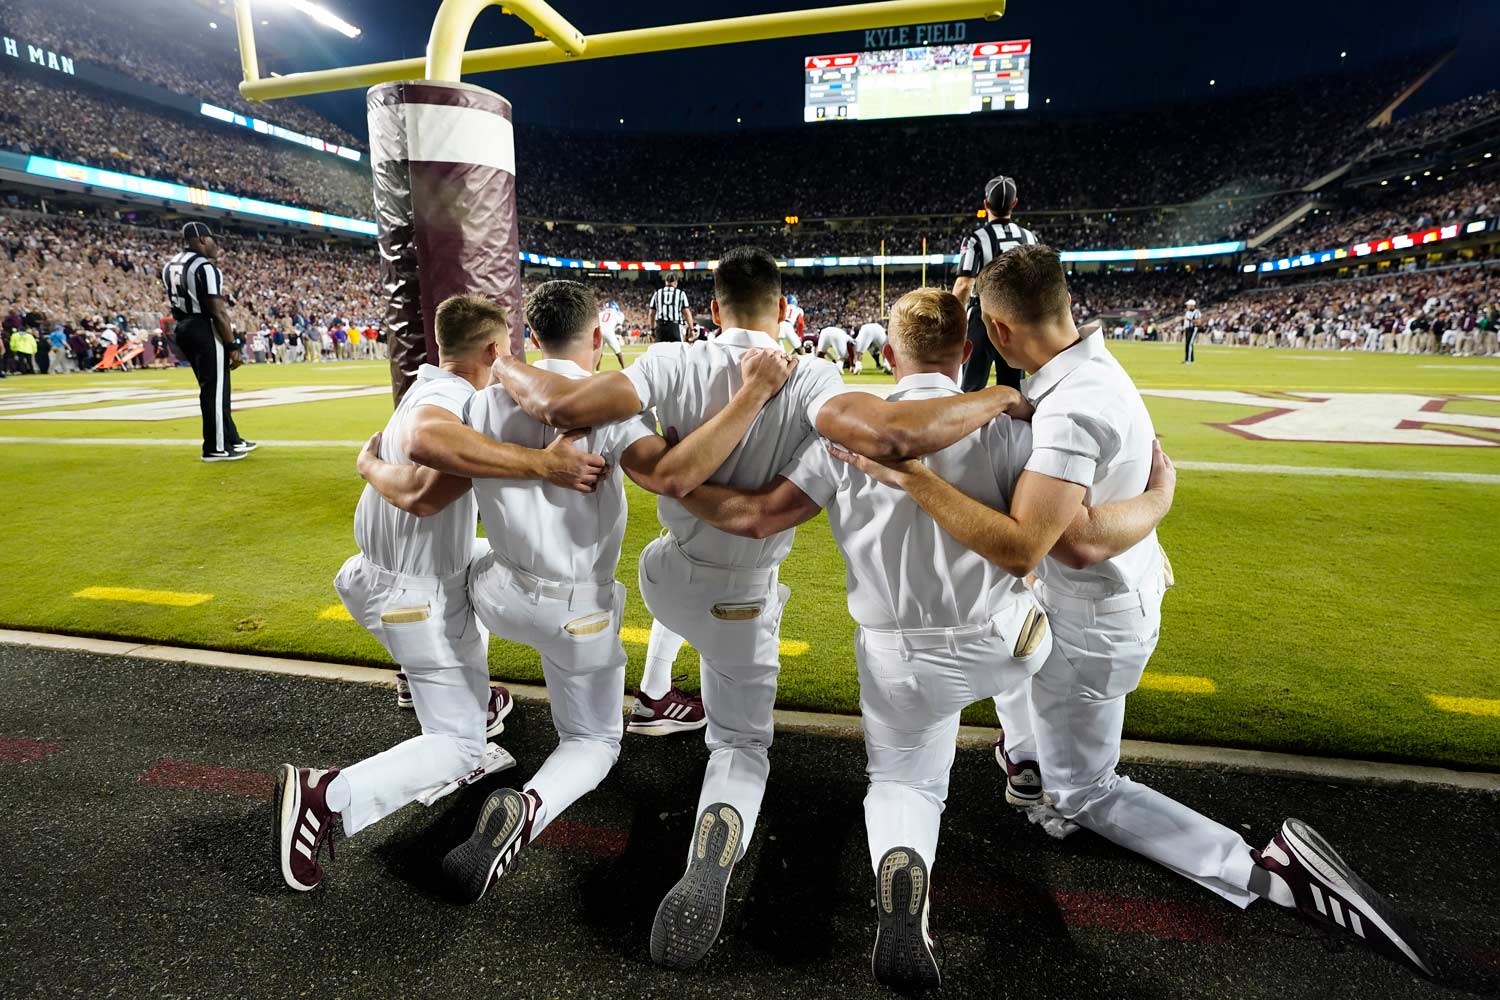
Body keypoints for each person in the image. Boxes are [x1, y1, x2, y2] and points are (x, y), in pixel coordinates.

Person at [835, 245, 1435, 978]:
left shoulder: (1068, 407)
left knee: (1084, 789)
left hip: (1092, 617)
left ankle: (1262, 869)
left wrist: (915, 478)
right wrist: (1154, 504)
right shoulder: (1091, 370)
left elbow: (1046, 545)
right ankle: (1027, 759)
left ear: (996, 329)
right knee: (1008, 638)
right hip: (1106, 600)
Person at [492, 245, 1035, 971]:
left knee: (668, 587)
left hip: (671, 578)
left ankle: (655, 694)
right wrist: (1001, 397)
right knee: (742, 743)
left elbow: (561, 403)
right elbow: (832, 468)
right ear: (784, 311)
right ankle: (1027, 759)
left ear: (712, 310)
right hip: (751, 598)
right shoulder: (814, 378)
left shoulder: (666, 362)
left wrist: (495, 361)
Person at [675, 287, 1173, 990]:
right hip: (1004, 644)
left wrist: (672, 484)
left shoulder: (842, 439)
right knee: (1042, 631)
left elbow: (758, 519)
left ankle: (906, 872)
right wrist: (1156, 499)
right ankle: (1027, 753)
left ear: (886, 352)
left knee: (905, 779)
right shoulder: (1013, 431)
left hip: (899, 655)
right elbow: (1075, 536)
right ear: (967, 351)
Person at [422, 281, 796, 902]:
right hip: (577, 614)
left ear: (532, 337)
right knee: (592, 742)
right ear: (598, 338)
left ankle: (449, 684)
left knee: (461, 564)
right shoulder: (614, 414)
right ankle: (530, 806)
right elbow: (671, 476)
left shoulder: (480, 403)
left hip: (501, 595)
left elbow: (429, 470)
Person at [272, 293, 609, 893]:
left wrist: (370, 468)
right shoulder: (455, 399)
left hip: (379, 577)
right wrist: (542, 464)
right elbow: (429, 472)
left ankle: (451, 691)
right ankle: (327, 796)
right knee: (459, 749)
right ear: (492, 349)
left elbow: (413, 490)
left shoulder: (423, 384)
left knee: (488, 562)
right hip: (414, 598)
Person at [160, 222, 253, 462]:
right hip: (203, 327)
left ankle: (231, 438)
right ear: (201, 239)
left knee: (216, 386)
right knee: (214, 389)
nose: (216, 245)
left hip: (182, 326)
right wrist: (232, 345)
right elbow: (217, 311)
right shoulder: (206, 268)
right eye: (212, 239)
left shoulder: (170, 265)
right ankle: (215, 447)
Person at [953, 175, 1037, 392]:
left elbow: (964, 284)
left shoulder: (976, 238)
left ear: (985, 204)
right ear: (1014, 203)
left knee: (972, 387)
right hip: (1016, 319)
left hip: (984, 316)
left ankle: (971, 427)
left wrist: (953, 319)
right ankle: (1014, 427)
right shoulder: (1029, 237)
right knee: (1013, 390)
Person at [648, 274, 693, 344]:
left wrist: (652, 329)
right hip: (674, 326)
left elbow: (651, 314)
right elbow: (687, 313)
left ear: (666, 282)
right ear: (676, 282)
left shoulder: (657, 293)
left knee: (660, 352)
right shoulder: (680, 293)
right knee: (677, 351)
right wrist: (691, 329)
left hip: (660, 326)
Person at [597, 298, 627, 370]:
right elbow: (619, 326)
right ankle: (625, 369)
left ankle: (597, 370)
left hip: (600, 332)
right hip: (609, 333)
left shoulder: (601, 313)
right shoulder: (617, 314)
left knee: (599, 353)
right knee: (618, 352)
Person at [1182, 297, 1201, 364]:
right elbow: (1185, 322)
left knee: (1189, 344)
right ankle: (1189, 359)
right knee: (1187, 344)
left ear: (1192, 305)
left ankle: (1189, 360)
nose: (1187, 306)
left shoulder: (1196, 312)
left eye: (1188, 305)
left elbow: (1198, 322)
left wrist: (1188, 319)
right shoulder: (1187, 312)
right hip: (1188, 329)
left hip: (1193, 328)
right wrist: (1184, 330)